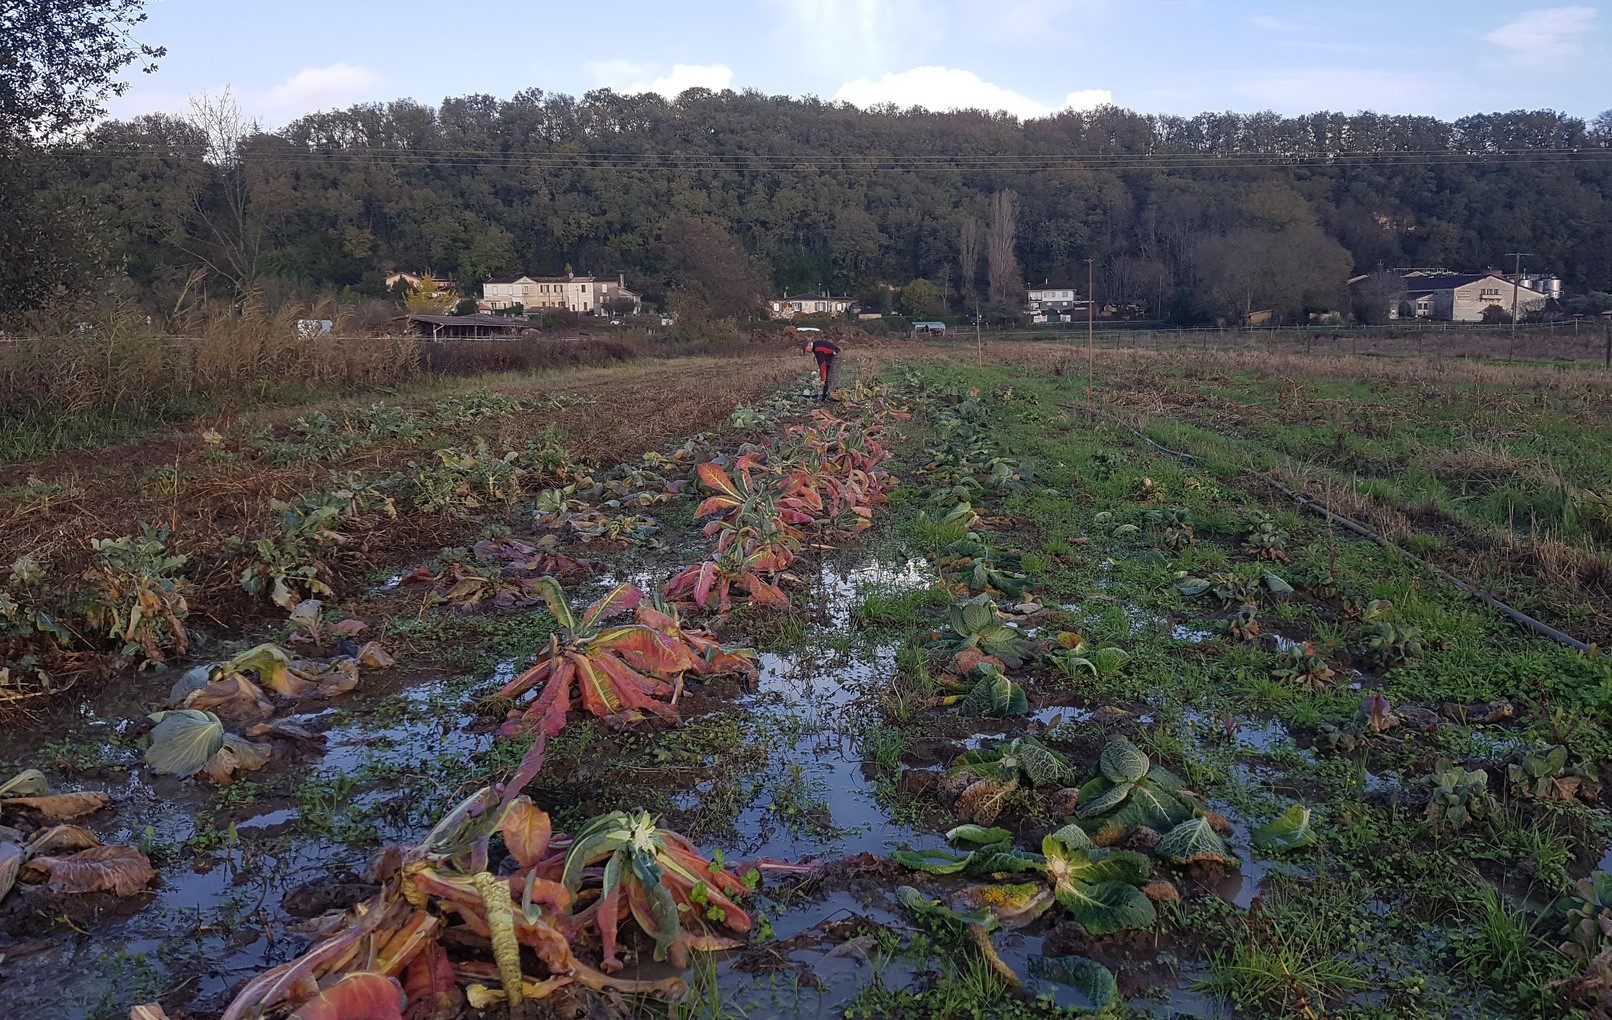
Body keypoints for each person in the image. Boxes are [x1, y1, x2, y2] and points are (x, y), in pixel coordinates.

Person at [806, 336, 842, 401]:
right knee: (827, 375)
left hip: (836, 355)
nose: (807, 351)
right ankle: (825, 395)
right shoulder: (815, 347)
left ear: (809, 345)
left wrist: (822, 380)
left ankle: (832, 395)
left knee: (832, 375)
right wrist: (824, 379)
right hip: (830, 357)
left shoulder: (817, 349)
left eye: (806, 349)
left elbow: (822, 366)